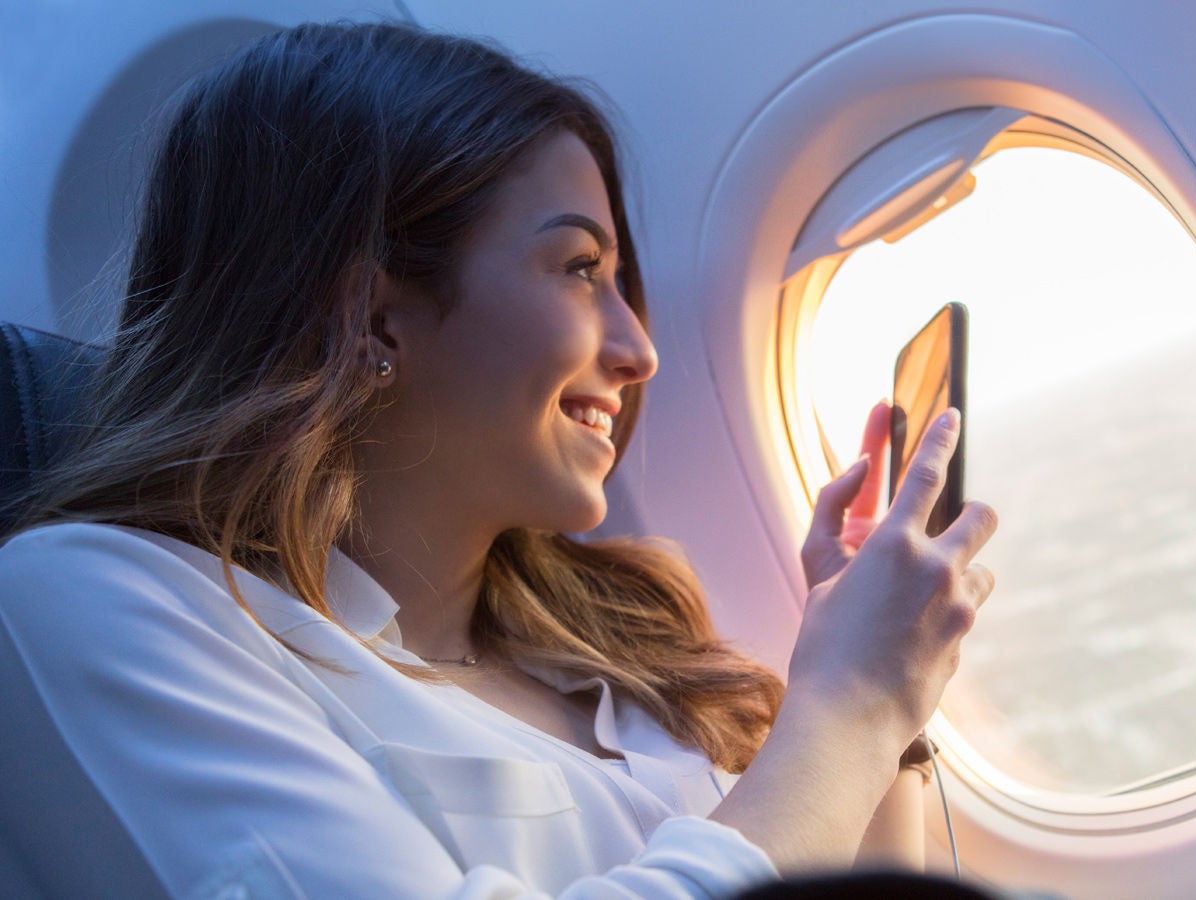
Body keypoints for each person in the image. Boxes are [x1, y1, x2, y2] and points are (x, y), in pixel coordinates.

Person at [0, 21, 997, 898]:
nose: (637, 348)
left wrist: (889, 700)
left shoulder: (628, 647)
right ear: (372, 314)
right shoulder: (90, 602)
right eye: (578, 270)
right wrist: (843, 709)